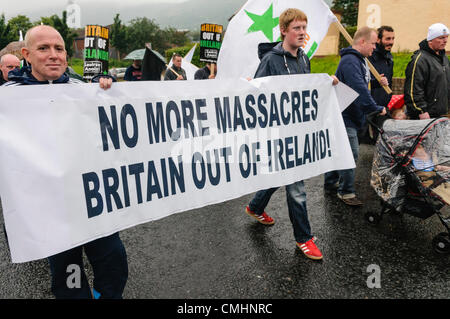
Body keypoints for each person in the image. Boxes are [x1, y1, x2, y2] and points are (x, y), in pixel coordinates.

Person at [3, 25, 128, 299]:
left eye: (59, 48)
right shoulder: (7, 96)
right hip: (49, 210)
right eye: (43, 48)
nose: (53, 55)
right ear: (26, 54)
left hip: (91, 200)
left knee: (113, 260)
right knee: (68, 273)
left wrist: (109, 93)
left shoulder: (83, 89)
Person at [245, 8, 338, 261]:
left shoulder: (304, 58)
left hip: (299, 133)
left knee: (281, 175)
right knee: (297, 187)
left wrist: (325, 84)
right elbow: (256, 97)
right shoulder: (271, 60)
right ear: (284, 30)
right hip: (279, 135)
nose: (302, 33)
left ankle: (255, 207)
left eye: (304, 28)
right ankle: (304, 238)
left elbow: (306, 92)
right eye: (297, 28)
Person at [324, 27, 387, 206]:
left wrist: (376, 82)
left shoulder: (360, 61)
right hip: (345, 116)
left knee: (341, 151)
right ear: (362, 42)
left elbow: (362, 81)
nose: (375, 47)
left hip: (350, 115)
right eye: (374, 43)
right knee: (351, 153)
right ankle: (346, 192)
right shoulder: (351, 61)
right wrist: (375, 108)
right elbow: (358, 88)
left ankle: (330, 183)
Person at [404, 23, 450, 120]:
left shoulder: (444, 58)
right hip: (426, 116)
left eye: (446, 37)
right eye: (441, 38)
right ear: (430, 40)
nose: (445, 41)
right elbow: (413, 90)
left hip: (442, 115)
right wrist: (421, 111)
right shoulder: (420, 60)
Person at [358, 26, 395, 143]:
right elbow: (363, 83)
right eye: (387, 39)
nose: (391, 42)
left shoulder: (389, 58)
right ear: (378, 40)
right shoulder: (368, 57)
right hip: (368, 111)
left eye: (393, 38)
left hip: (383, 109)